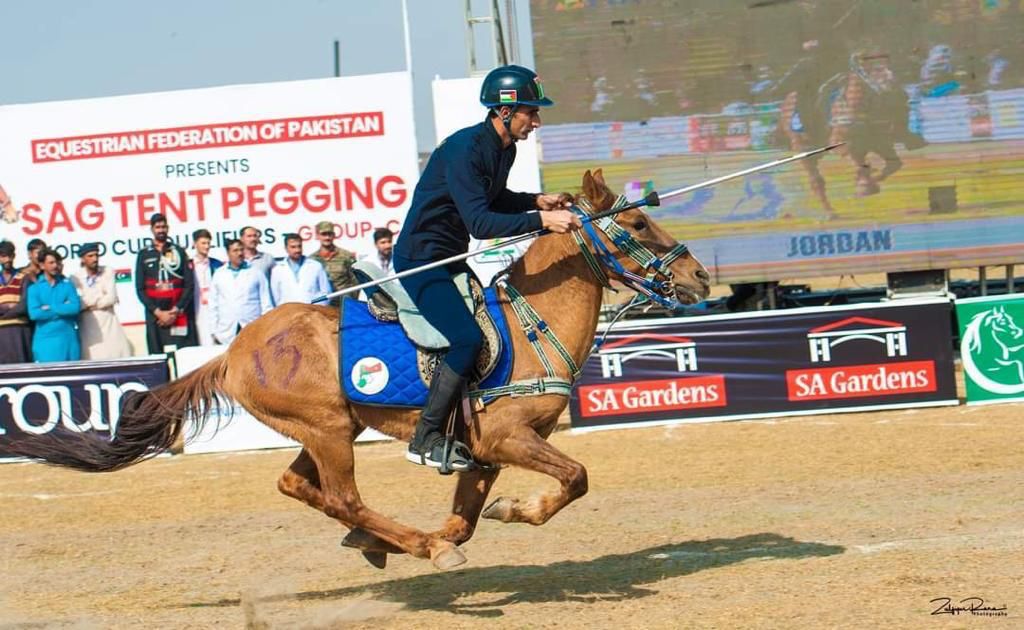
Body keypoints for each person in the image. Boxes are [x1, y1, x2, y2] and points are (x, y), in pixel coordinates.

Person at [394, 64, 581, 472]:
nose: (537, 121)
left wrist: (535, 200)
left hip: (451, 258)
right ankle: (425, 437)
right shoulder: (464, 150)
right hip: (421, 260)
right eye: (531, 111)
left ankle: (473, 427)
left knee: (494, 325)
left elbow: (493, 199)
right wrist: (542, 221)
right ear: (505, 111)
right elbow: (480, 223)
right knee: (466, 339)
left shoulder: (504, 148)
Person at [134, 213, 197, 354]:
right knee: (158, 357)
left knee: (182, 355)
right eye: (158, 227)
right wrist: (158, 313)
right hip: (155, 316)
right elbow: (140, 289)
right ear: (152, 229)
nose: (161, 230)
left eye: (163, 227)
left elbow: (189, 284)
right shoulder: (144, 254)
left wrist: (175, 310)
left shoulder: (178, 251)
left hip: (177, 314)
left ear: (168, 228)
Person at [71, 242, 132, 359]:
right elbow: (79, 304)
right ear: (82, 259)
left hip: (110, 326)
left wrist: (89, 303)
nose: (95, 259)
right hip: (88, 327)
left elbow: (111, 298)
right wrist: (99, 296)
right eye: (90, 256)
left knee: (116, 358)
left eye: (96, 255)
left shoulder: (108, 271)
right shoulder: (75, 278)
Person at [210, 238, 272, 344]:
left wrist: (267, 326)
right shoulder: (219, 274)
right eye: (235, 250)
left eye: (241, 250)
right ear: (228, 253)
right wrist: (214, 331)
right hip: (226, 330)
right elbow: (213, 304)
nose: (239, 253)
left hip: (252, 326)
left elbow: (266, 302)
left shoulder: (256, 272)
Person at [27, 248, 81, 362]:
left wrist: (51, 307)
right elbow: (35, 314)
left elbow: (75, 308)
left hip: (69, 341)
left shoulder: (67, 285)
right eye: (51, 263)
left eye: (56, 262)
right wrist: (63, 307)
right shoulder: (34, 289)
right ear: (42, 265)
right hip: (46, 343)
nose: (55, 266)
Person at [269, 233, 331, 305]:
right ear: (286, 248)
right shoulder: (277, 270)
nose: (297, 250)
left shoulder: (316, 266)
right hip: (289, 310)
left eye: (299, 246)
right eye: (293, 247)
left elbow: (326, 292)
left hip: (312, 310)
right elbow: (276, 296)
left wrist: (318, 307)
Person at [0, 241, 33, 363]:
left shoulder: (24, 277)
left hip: (20, 330)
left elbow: (24, 306)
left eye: (10, 255)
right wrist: (9, 306)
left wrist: (4, 313)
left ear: (14, 256)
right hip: (1, 332)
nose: (7, 259)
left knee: (22, 366)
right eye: (4, 256)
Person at [309, 220, 358, 304]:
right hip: (322, 304)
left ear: (334, 235)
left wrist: (351, 298)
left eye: (329, 234)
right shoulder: (312, 260)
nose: (327, 238)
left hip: (344, 303)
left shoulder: (346, 256)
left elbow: (356, 281)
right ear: (317, 236)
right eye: (324, 234)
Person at [190, 228, 223, 345]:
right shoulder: (188, 265)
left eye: (208, 243)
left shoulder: (217, 264)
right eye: (203, 243)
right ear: (195, 244)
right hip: (196, 308)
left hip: (213, 309)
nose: (207, 246)